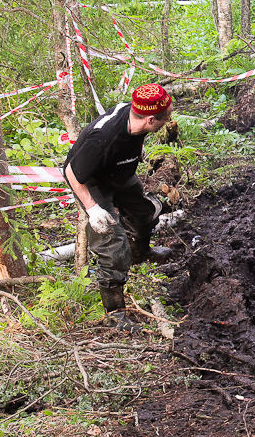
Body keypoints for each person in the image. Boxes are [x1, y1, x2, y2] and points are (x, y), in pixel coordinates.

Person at [64, 83, 175, 331]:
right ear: (150, 120)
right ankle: (114, 314)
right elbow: (72, 172)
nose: (168, 121)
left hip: (120, 173)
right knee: (112, 245)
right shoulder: (104, 139)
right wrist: (93, 209)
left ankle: (141, 253)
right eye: (165, 118)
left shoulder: (136, 114)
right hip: (93, 182)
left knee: (145, 213)